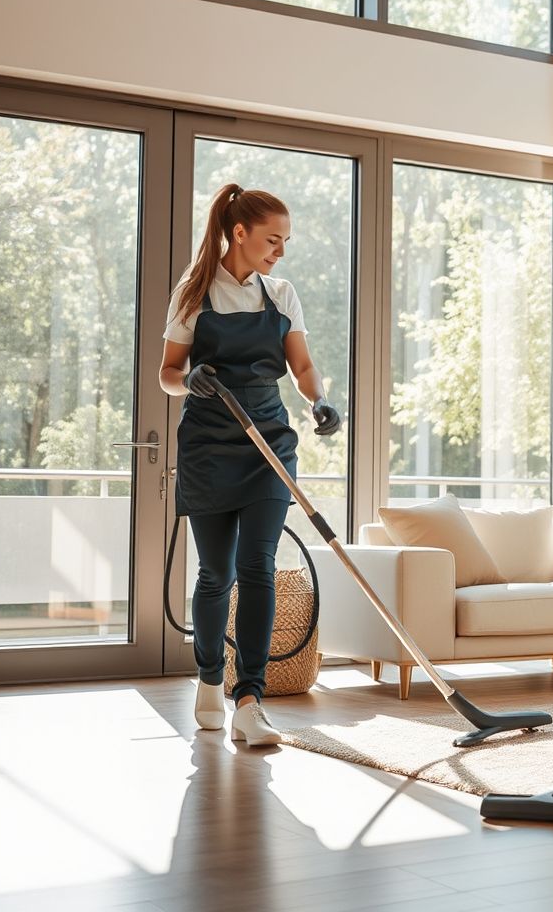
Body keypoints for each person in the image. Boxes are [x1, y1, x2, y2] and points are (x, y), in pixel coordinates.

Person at [159, 183, 341, 747]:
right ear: (239, 233)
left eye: (285, 241)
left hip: (268, 444)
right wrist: (190, 379)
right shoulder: (193, 294)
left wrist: (320, 401)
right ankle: (210, 678)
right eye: (272, 239)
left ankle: (250, 700)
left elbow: (302, 365)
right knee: (217, 574)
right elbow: (167, 373)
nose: (280, 251)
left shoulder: (281, 293)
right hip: (209, 448)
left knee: (258, 565)